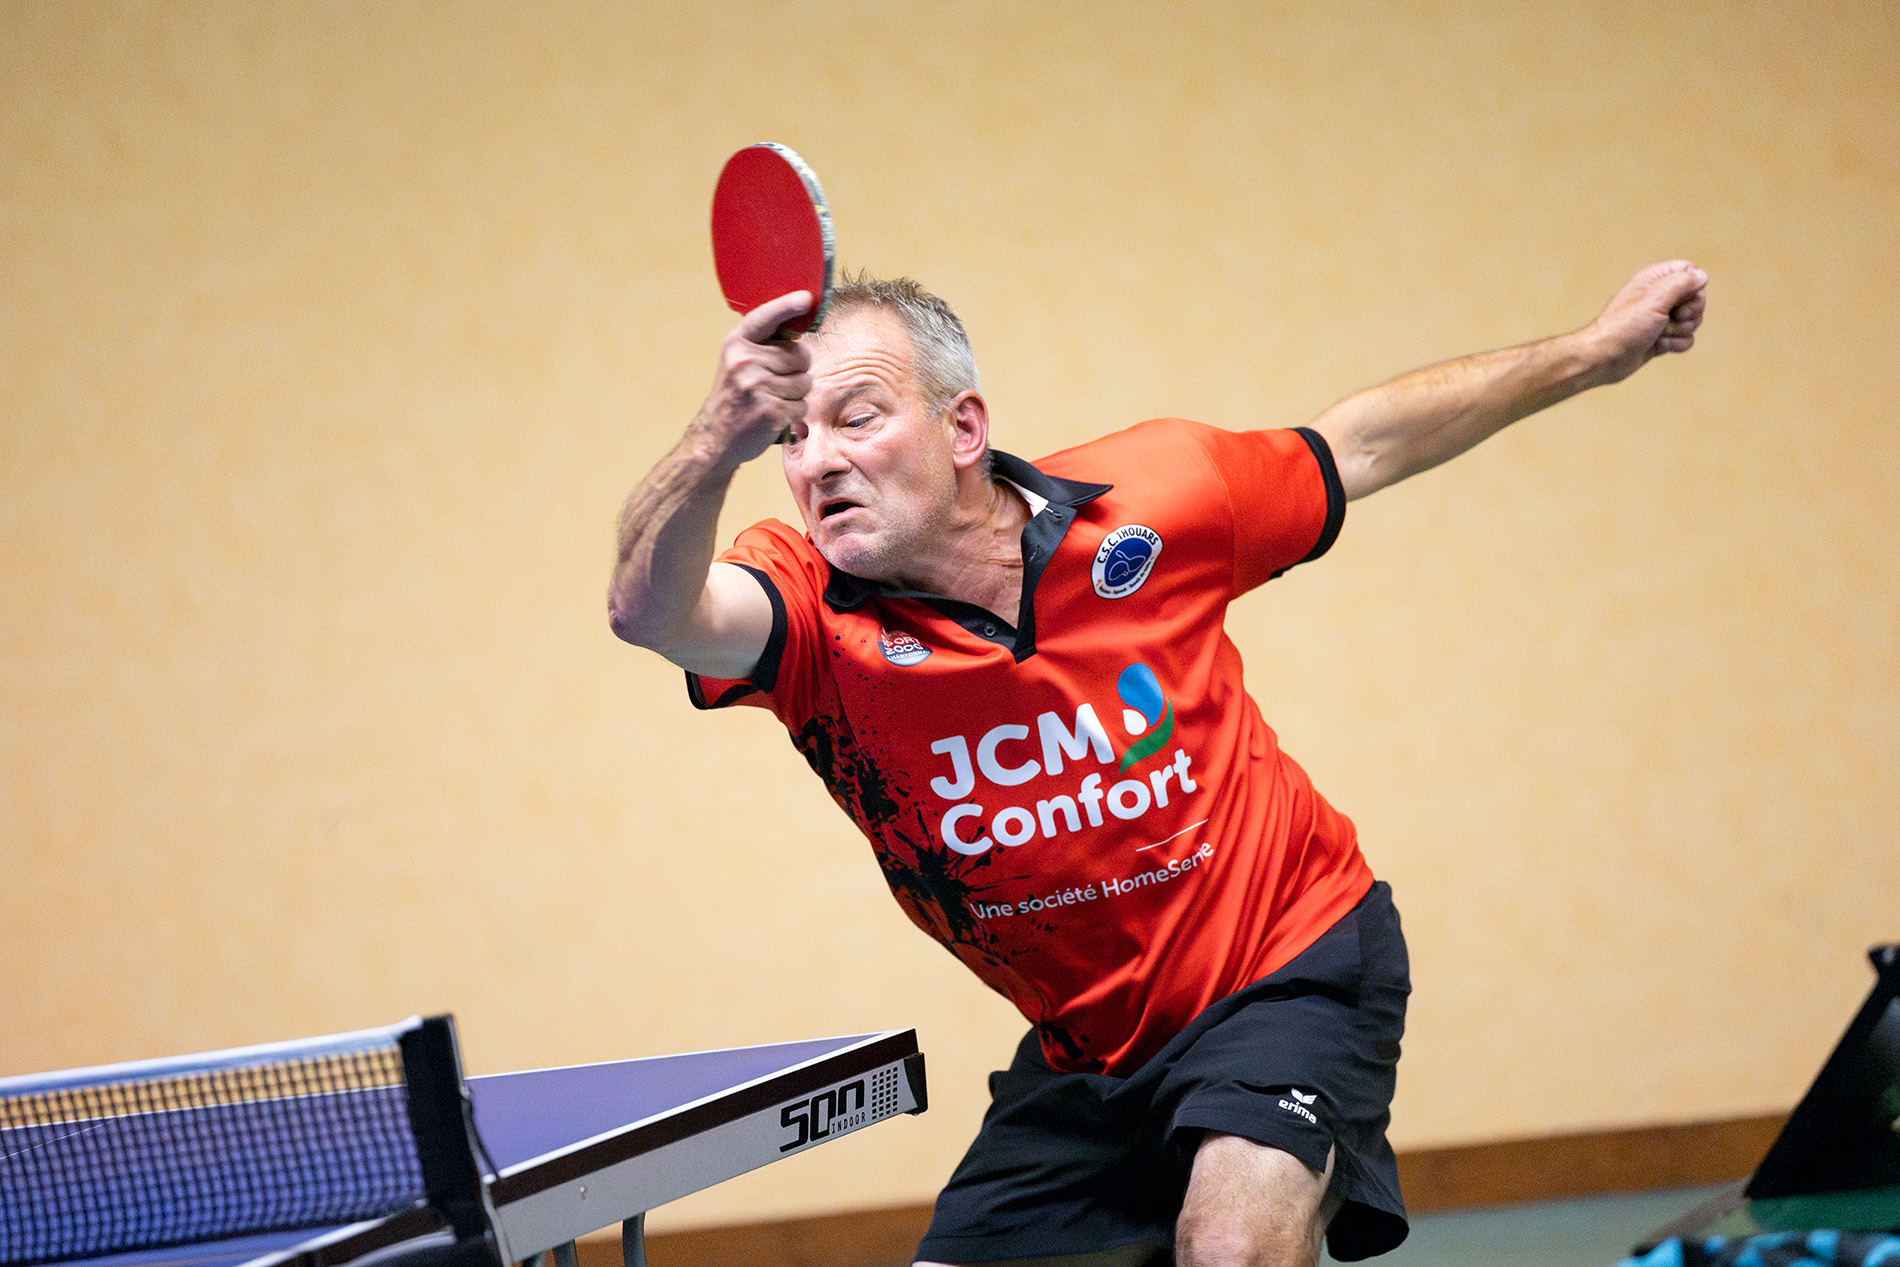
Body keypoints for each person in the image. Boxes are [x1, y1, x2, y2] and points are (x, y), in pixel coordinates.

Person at [608, 261, 1708, 1267]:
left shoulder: (1158, 499)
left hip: (1285, 960)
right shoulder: (805, 606)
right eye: (789, 435)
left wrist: (1592, 352)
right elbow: (650, 611)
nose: (817, 459)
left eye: (856, 417)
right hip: (1088, 1048)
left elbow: (1361, 446)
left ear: (962, 428)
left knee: (1228, 1248)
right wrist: (714, 439)